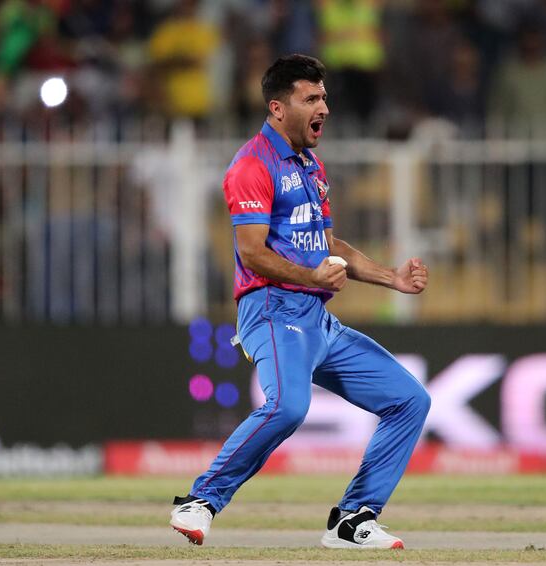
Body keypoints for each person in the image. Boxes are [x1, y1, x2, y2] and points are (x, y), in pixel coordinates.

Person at [169, 54, 431, 550]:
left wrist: (390, 278)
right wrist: (311, 275)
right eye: (311, 98)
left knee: (409, 400)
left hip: (316, 318)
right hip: (270, 310)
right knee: (288, 407)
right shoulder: (252, 164)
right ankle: (200, 500)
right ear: (277, 107)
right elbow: (251, 252)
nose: (324, 107)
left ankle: (353, 519)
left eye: (324, 97)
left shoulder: (311, 164)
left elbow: (328, 244)